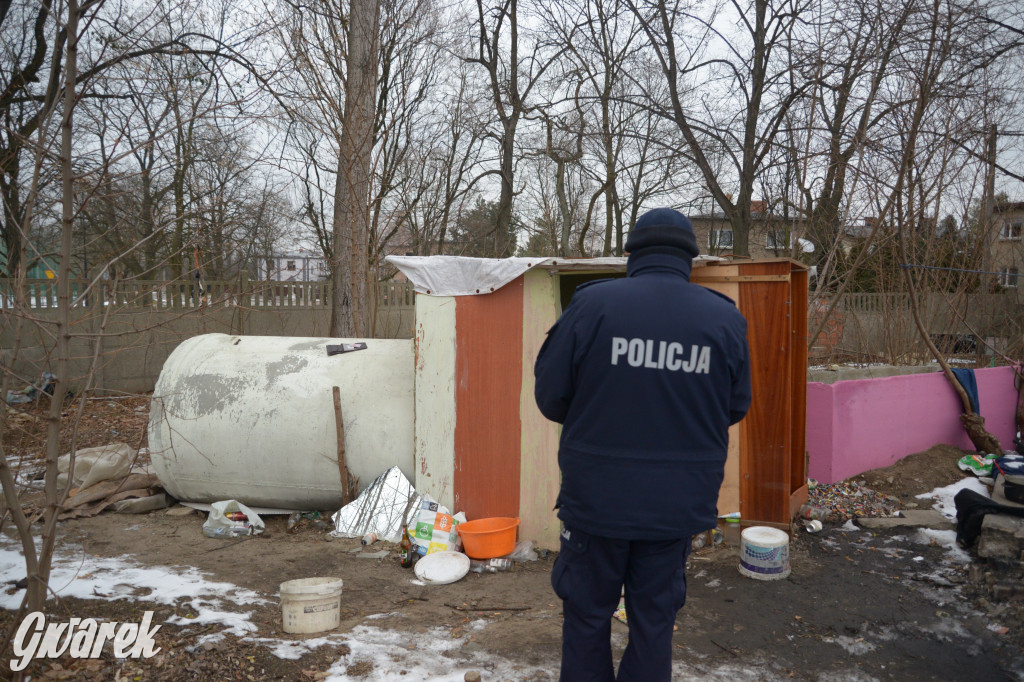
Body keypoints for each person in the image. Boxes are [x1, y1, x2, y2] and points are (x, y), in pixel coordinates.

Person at [534, 207, 752, 682]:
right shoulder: (724, 320)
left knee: (588, 618)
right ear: (689, 258)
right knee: (654, 624)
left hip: (595, 504)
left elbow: (551, 399)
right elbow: (736, 408)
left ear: (631, 253)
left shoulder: (591, 306)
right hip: (675, 508)